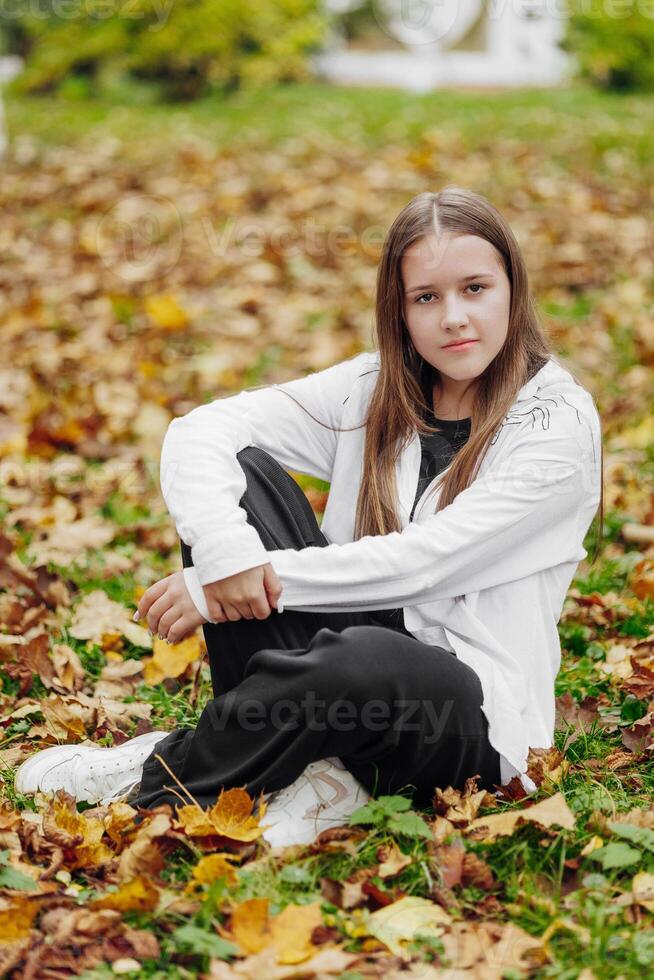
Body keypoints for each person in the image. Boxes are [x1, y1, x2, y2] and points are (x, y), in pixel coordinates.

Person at [15, 187, 603, 848]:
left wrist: (219, 588)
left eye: (475, 288)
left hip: (465, 715)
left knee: (362, 662)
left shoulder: (556, 427)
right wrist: (225, 551)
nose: (454, 319)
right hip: (337, 660)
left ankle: (166, 771)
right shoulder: (373, 390)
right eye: (427, 297)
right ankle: (317, 775)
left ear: (512, 290)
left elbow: (425, 563)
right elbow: (201, 431)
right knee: (244, 480)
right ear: (400, 310)